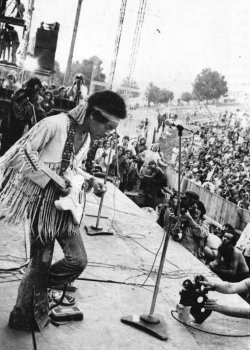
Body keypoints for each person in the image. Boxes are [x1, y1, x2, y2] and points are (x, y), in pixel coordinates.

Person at [0, 90, 126, 331]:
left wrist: (91, 180)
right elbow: (20, 157)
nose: (109, 132)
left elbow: (73, 168)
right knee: (41, 263)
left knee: (77, 260)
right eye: (108, 126)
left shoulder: (87, 138)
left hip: (66, 206)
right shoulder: (53, 125)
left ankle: (39, 289)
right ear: (92, 116)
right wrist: (54, 179)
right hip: (42, 203)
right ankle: (21, 314)